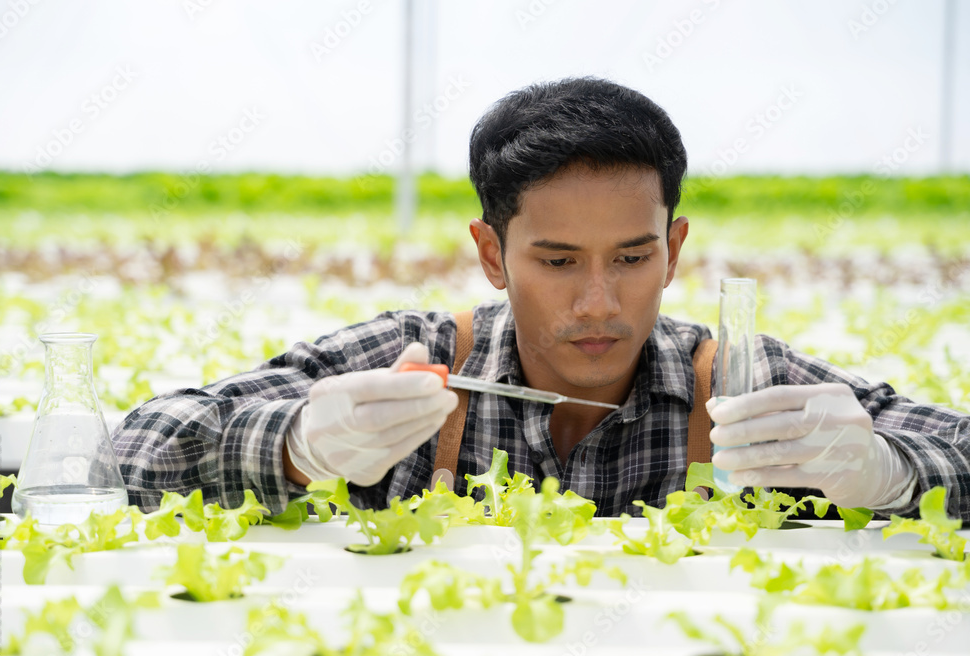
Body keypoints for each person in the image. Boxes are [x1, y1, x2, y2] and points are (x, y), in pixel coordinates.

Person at [112, 76, 970, 520]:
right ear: (491, 253)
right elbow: (127, 452)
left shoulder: (739, 381)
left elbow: (953, 447)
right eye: (557, 261)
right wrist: (296, 444)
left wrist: (888, 471)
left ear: (673, 251)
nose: (599, 302)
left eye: (632, 256)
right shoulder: (421, 357)